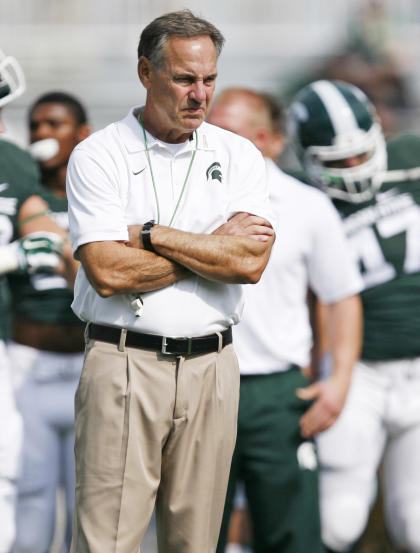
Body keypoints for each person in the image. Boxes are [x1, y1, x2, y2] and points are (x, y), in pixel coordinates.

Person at [66, 10, 275, 553]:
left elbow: (251, 263)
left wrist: (152, 235)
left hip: (213, 366)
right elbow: (107, 271)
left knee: (196, 542)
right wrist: (210, 245)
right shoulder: (99, 154)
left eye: (209, 79)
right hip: (124, 360)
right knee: (107, 541)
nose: (199, 94)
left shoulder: (239, 154)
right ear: (146, 72)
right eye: (185, 78)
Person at [207, 88, 363, 553]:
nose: (213, 143)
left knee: (292, 535)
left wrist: (339, 384)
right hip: (200, 380)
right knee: (195, 535)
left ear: (267, 140)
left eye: (229, 132)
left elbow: (342, 298)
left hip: (276, 392)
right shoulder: (186, 198)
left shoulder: (306, 205)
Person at [288, 78, 420, 553]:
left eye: (360, 155)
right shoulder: (298, 198)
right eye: (336, 162)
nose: (352, 169)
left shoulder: (411, 160)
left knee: (416, 525)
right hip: (355, 371)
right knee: (338, 520)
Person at [7, 91, 91, 553]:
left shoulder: (100, 192)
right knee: (31, 502)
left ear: (82, 134)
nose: (41, 134)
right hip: (29, 363)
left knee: (92, 504)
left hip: (86, 364)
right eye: (35, 125)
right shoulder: (20, 188)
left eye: (54, 124)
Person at [0, 49, 68, 553]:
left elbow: (38, 224)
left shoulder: (15, 162)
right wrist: (11, 260)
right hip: (22, 348)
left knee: (11, 471)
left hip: (6, 344)